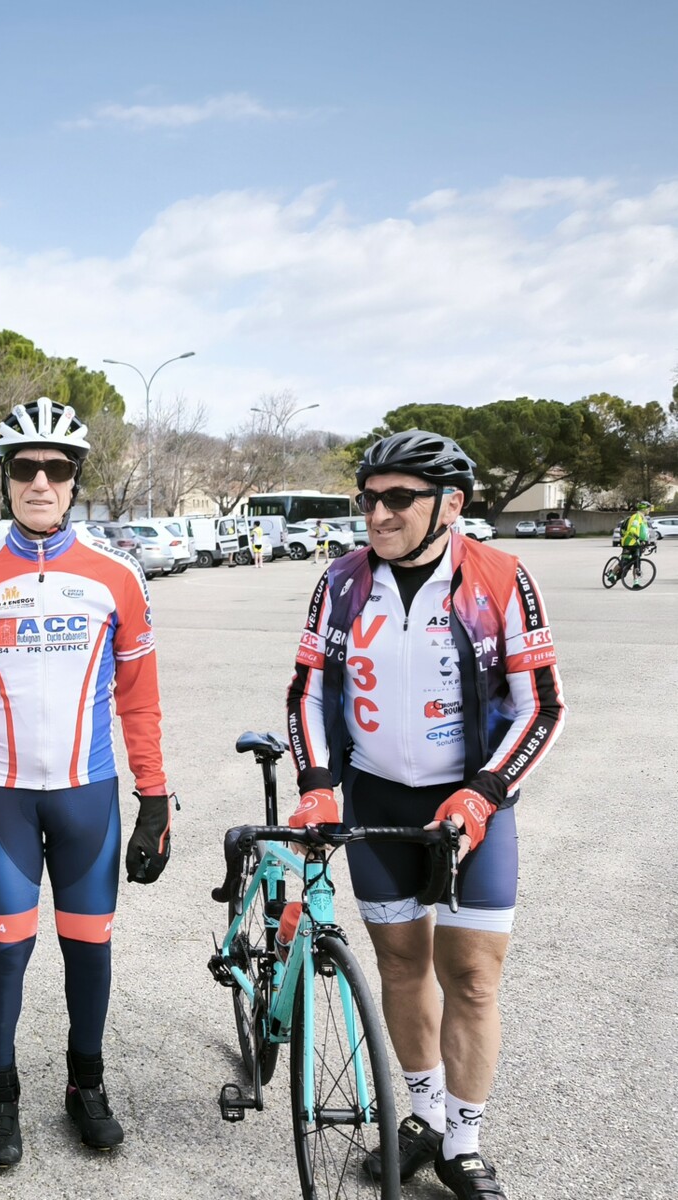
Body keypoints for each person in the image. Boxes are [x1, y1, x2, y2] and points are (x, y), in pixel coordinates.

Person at [284, 430, 567, 1200]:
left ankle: (462, 1145)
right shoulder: (340, 582)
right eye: (368, 498)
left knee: (471, 977)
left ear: (450, 504)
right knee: (401, 966)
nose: (377, 514)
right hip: (376, 796)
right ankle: (423, 1115)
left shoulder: (500, 576)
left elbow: (540, 706)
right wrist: (317, 783)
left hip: (470, 805)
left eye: (398, 498)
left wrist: (484, 792)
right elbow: (309, 690)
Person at [0, 398, 175, 1167]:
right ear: (3, 476)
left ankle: (84, 1086)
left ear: (74, 481)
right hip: (0, 795)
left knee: (88, 949)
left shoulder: (115, 577)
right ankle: (0, 1099)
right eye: (25, 468)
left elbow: (139, 700)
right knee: (5, 950)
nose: (40, 482)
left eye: (56, 468)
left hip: (85, 795)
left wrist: (154, 798)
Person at [619, 499, 653, 572]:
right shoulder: (636, 517)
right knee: (623, 562)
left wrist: (648, 541)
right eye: (648, 508)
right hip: (630, 542)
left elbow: (644, 532)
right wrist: (637, 538)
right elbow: (632, 529)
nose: (649, 510)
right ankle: (612, 574)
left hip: (637, 544)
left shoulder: (643, 519)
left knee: (636, 562)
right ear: (644, 508)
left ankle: (636, 579)